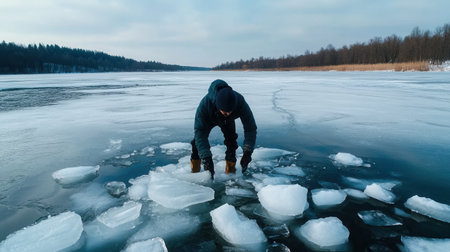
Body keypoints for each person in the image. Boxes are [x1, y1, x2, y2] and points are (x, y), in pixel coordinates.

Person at [190, 79, 257, 179]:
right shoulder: (204, 106)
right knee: (197, 145)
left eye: (231, 111)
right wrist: (207, 159)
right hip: (209, 119)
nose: (228, 114)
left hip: (227, 122)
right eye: (225, 112)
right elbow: (200, 133)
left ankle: (230, 174)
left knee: (231, 144)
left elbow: (250, 128)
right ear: (218, 106)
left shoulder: (240, 102)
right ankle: (195, 173)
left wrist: (248, 152)